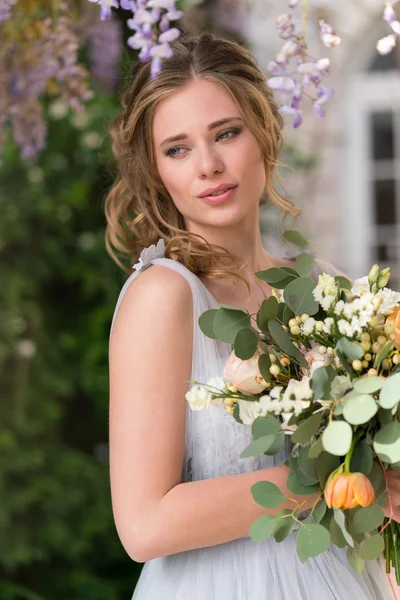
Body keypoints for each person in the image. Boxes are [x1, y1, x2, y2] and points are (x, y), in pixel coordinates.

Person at [105, 30, 399, 600]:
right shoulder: (166, 296)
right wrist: (333, 481)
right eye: (178, 148)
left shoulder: (324, 288)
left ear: (263, 132)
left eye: (226, 133)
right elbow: (144, 526)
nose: (209, 165)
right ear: (156, 169)